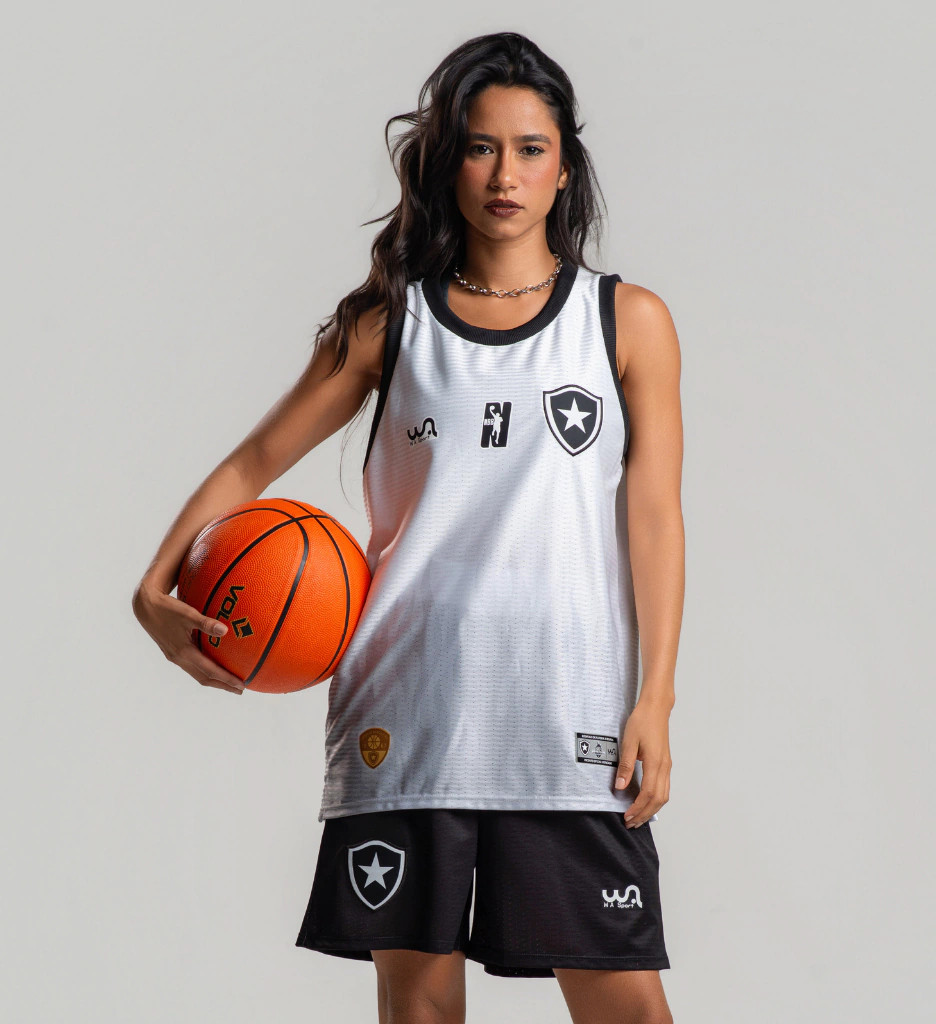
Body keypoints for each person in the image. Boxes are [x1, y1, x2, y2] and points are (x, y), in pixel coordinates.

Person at [133, 30, 683, 1024]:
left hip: (570, 721)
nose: (504, 174)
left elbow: (653, 517)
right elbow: (253, 463)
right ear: (447, 162)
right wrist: (153, 587)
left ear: (565, 166)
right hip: (409, 717)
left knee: (628, 1007)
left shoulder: (624, 320)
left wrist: (657, 698)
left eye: (529, 149)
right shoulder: (392, 322)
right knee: (419, 1009)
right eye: (480, 147)